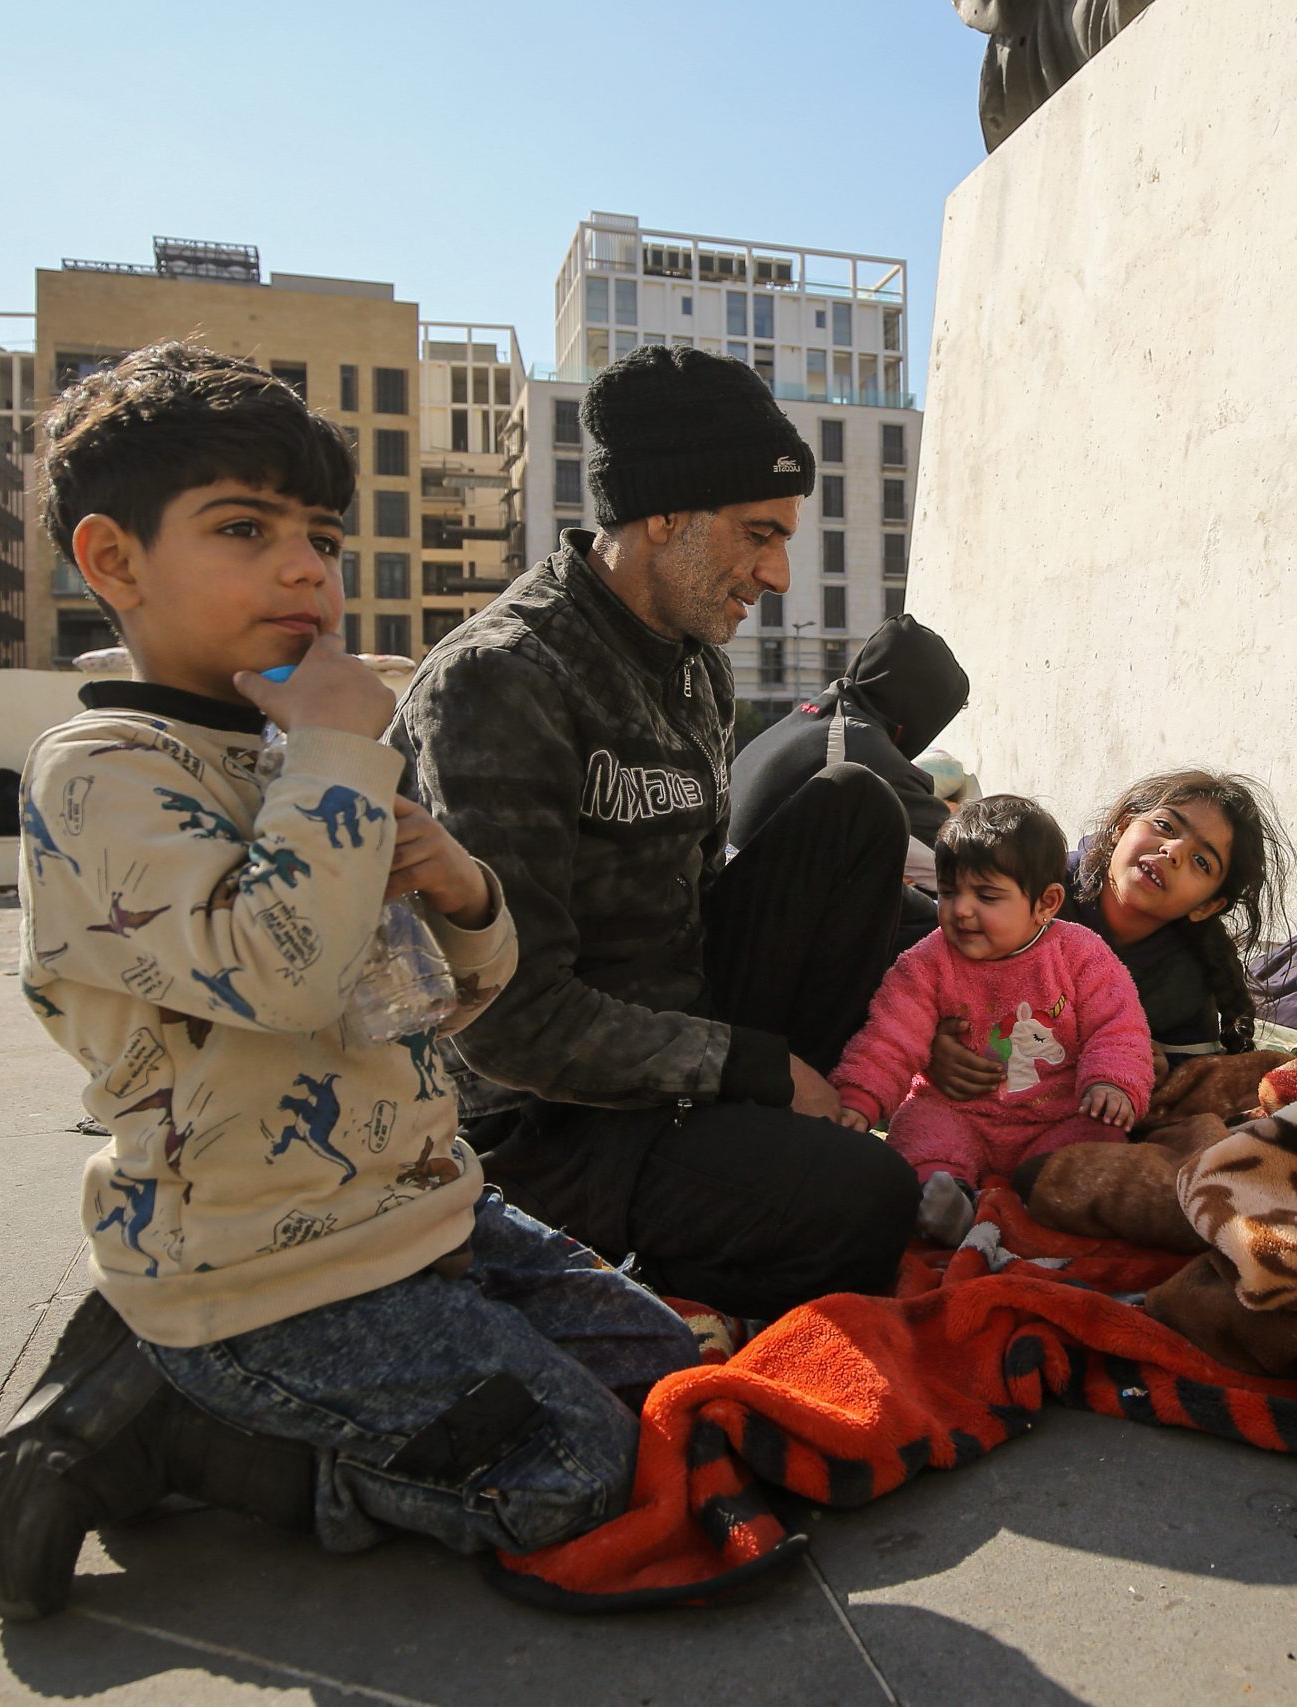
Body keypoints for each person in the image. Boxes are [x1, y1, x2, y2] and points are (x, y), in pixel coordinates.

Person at [0, 345, 701, 1622]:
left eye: (321, 536)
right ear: (114, 560)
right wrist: (332, 758)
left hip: (423, 1209)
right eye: (244, 530)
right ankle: (172, 1429)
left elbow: (438, 1002)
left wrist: (461, 894)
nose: (307, 569)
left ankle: (230, 1393)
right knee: (578, 1473)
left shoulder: (300, 759)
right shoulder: (102, 774)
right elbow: (285, 981)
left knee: (664, 1371)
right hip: (265, 1270)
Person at [391, 347, 920, 1322]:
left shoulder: (695, 667)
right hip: (541, 1119)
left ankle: (769, 1140)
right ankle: (600, 1272)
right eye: (759, 534)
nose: (776, 573)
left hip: (675, 1045)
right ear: (664, 516)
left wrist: (968, 973)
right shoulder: (503, 678)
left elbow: (704, 900)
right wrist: (755, 1068)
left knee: (856, 809)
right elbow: (510, 1024)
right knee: (871, 1204)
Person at [831, 796, 1155, 1219]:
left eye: (986, 896)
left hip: (1055, 1115)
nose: (961, 910)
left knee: (1099, 1132)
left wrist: (1111, 1084)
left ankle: (1048, 1187)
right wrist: (858, 1100)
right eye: (949, 892)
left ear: (1046, 903)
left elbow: (1118, 1027)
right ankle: (941, 1196)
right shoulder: (925, 963)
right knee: (919, 1126)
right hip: (957, 1111)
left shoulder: (1080, 954)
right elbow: (889, 1037)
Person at [924, 770, 1289, 1105]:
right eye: (1165, 826)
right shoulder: (1031, 890)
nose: (1173, 851)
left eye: (1202, 862)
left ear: (1207, 906)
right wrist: (931, 1045)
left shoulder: (1184, 978)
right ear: (1123, 824)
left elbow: (1191, 1073)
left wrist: (1160, 1069)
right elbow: (922, 973)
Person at [728, 611, 971, 909]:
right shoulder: (856, 749)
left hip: (734, 905)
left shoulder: (812, 720)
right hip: (758, 921)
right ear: (921, 706)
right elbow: (960, 868)